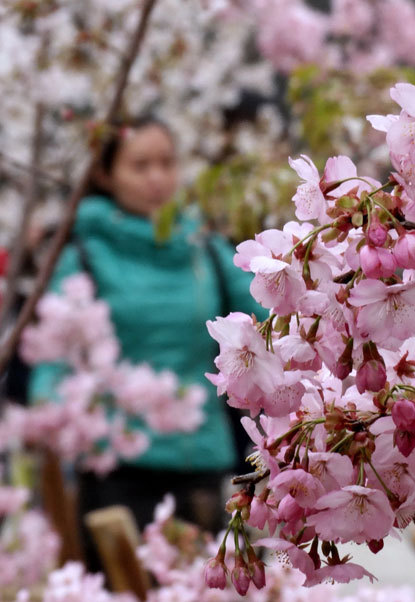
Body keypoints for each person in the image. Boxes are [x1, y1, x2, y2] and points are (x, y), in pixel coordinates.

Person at [27, 116, 263, 563]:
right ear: (105, 174)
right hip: (117, 466)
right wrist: (47, 414)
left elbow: (269, 312)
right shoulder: (82, 252)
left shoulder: (204, 248)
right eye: (140, 165)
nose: (158, 177)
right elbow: (53, 354)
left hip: (200, 459)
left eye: (167, 163)